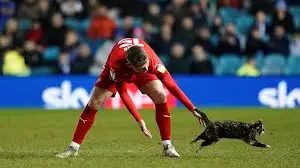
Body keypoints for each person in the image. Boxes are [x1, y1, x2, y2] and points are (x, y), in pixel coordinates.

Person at [56, 38, 204, 158]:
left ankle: (167, 146)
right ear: (130, 65)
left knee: (160, 94)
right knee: (94, 102)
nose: (145, 70)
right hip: (112, 72)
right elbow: (124, 92)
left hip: (137, 62)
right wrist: (140, 120)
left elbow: (172, 86)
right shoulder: (117, 65)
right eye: (141, 69)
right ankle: (73, 147)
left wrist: (192, 108)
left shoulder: (151, 61)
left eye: (146, 65)